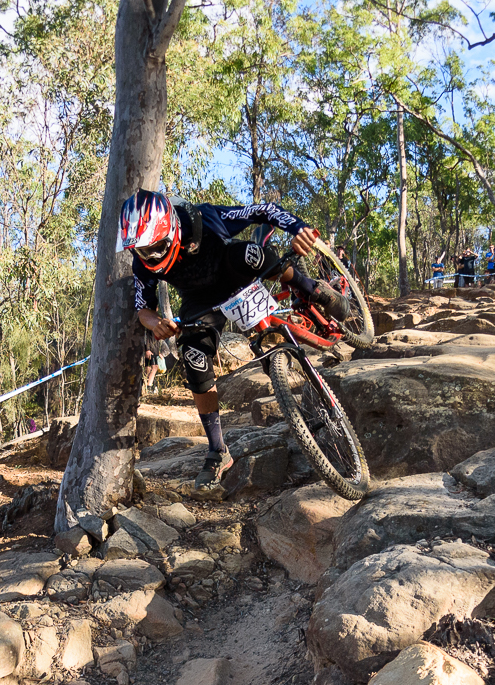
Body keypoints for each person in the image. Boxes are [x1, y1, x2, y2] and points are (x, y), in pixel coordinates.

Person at [117, 189, 336, 494]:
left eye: (157, 247)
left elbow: (265, 211)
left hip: (233, 269)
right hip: (201, 301)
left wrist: (299, 229)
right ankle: (218, 450)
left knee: (252, 255)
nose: (151, 256)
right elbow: (144, 307)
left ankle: (309, 287)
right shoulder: (142, 264)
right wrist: (156, 323)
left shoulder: (204, 218)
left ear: (172, 227)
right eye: (143, 251)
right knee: (193, 359)